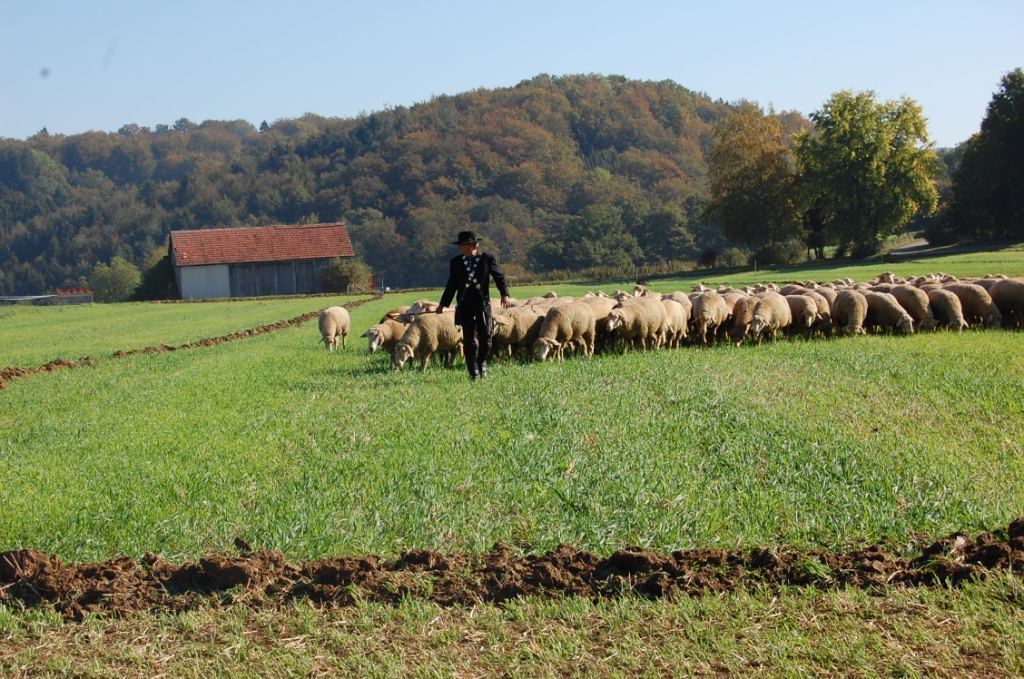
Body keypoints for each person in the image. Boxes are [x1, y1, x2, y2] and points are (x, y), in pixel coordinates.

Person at [436, 231, 511, 380]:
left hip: (482, 305)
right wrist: (443, 304)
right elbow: (451, 285)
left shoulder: (487, 259)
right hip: (465, 306)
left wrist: (505, 294)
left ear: (471, 245)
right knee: (469, 340)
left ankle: (481, 362)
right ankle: (473, 372)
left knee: (486, 338)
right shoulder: (456, 262)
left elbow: (499, 276)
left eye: (462, 245)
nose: (459, 248)